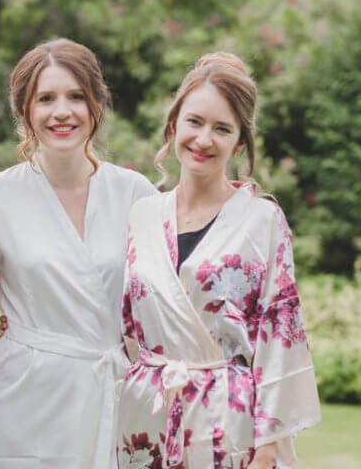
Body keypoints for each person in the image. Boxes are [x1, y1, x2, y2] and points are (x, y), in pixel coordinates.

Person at [115, 53, 321, 469]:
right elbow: (126, 325)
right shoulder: (142, 215)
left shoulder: (262, 220)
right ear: (174, 125)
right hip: (146, 417)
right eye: (194, 122)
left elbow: (279, 331)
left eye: (221, 128)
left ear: (240, 141)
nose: (204, 139)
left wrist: (268, 447)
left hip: (228, 421)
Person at [0, 38, 157, 468]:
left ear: (97, 104)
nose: (62, 111)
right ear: (25, 110)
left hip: (114, 393)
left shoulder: (137, 195)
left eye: (76, 96)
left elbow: (165, 306)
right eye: (46, 98)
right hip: (25, 398)